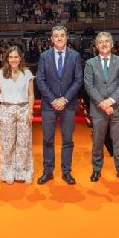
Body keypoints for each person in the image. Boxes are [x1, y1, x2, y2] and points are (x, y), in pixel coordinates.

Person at [35, 26, 84, 185]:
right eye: (56, 36)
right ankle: (48, 170)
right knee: (48, 140)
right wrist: (53, 99)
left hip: (68, 105)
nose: (59, 38)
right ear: (51, 39)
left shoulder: (75, 56)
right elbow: (40, 80)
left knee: (68, 140)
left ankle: (66, 171)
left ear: (67, 37)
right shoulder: (44, 56)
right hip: (49, 105)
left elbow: (78, 80)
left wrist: (65, 99)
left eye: (62, 35)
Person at [84, 32, 119, 183]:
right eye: (100, 42)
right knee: (98, 141)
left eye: (106, 42)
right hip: (98, 109)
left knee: (118, 141)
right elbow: (89, 86)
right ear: (96, 46)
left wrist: (110, 101)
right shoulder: (90, 63)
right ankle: (96, 169)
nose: (104, 44)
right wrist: (103, 104)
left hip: (117, 108)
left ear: (112, 44)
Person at [0, 46, 35, 185]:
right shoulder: (0, 74)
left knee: (24, 144)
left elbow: (30, 94)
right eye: (11, 57)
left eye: (16, 57)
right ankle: (8, 173)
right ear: (7, 59)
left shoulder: (27, 73)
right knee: (7, 144)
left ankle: (25, 172)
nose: (13, 60)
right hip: (6, 109)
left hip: (23, 109)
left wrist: (30, 111)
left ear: (20, 58)